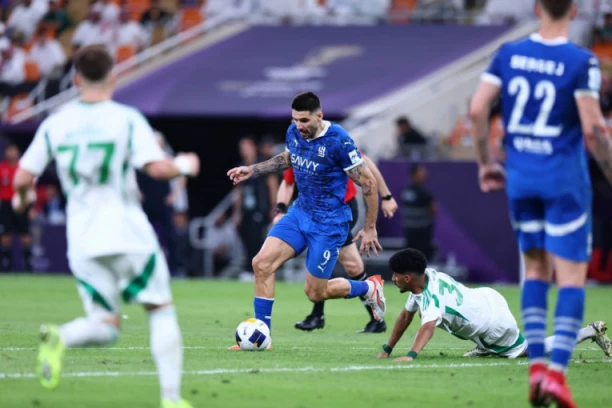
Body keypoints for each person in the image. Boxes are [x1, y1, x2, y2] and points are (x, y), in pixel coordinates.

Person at [12, 45, 199, 408]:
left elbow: (23, 177)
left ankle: (62, 336)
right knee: (159, 308)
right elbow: (157, 168)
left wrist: (22, 199)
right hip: (126, 230)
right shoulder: (125, 119)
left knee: (106, 326)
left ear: (75, 79)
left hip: (82, 237)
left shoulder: (55, 123)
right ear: (114, 77)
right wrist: (185, 165)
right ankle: (171, 399)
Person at [469, 1, 612, 406]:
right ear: (574, 10)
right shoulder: (581, 61)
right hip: (564, 182)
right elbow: (594, 129)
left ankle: (534, 369)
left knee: (534, 270)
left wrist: (485, 163)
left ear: (536, 8)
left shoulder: (509, 54)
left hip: (522, 179)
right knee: (570, 278)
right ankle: (557, 376)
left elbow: (477, 110)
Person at [227, 92, 387, 349]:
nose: (298, 125)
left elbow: (368, 182)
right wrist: (253, 169)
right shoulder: (294, 132)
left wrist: (370, 228)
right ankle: (262, 338)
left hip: (329, 223)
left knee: (315, 293)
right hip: (300, 213)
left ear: (319, 116)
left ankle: (369, 288)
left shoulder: (338, 140)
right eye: (295, 119)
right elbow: (287, 158)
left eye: (304, 120)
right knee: (262, 263)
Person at [375, 249, 612, 362]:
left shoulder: (431, 299)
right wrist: (387, 349)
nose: (393, 278)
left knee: (530, 351)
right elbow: (405, 316)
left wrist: (411, 356)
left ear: (408, 278)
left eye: (395, 275)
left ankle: (589, 331)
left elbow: (427, 327)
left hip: (494, 326)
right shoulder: (427, 277)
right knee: (428, 316)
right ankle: (483, 346)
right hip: (488, 298)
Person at [275, 154, 398, 333]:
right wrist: (279, 209)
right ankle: (376, 318)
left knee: (322, 257)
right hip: (316, 212)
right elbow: (287, 182)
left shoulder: (333, 143)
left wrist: (386, 196)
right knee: (353, 265)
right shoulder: (298, 148)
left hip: (342, 210)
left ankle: (318, 315)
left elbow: (366, 165)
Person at [0, 143, 35, 271]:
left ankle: (28, 265)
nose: (11, 153)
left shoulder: (23, 168)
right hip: (5, 204)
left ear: (18, 152)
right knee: (5, 235)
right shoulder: (1, 168)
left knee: (25, 235)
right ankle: (6, 266)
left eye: (13, 150)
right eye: (9, 151)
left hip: (22, 203)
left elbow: (31, 187)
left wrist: (31, 207)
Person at [400, 164, 437, 261]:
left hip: (418, 232)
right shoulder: (425, 193)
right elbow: (433, 210)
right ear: (414, 174)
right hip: (417, 233)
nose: (424, 174)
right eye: (421, 172)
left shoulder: (405, 191)